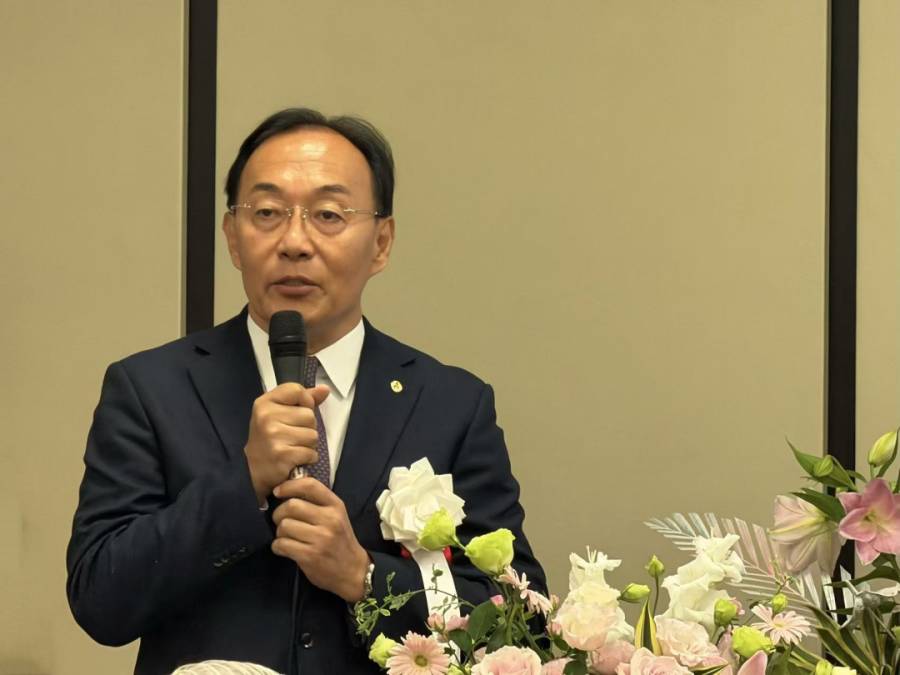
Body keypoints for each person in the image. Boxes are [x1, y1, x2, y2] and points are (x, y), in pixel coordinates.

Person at [67, 108, 545, 675]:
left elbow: (520, 618)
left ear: (381, 243)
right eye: (267, 213)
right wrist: (243, 482)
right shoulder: (151, 389)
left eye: (328, 215)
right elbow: (101, 601)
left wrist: (364, 576)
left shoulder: (450, 404)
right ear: (233, 238)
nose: (294, 242)